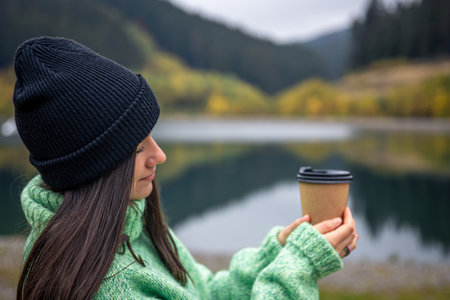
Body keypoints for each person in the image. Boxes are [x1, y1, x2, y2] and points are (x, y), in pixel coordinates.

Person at [13, 36, 358, 299]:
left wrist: (278, 252)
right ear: (91, 167)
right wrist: (296, 270)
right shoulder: (109, 286)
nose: (159, 155)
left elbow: (203, 291)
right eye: (137, 147)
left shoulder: (126, 221)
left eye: (152, 136)